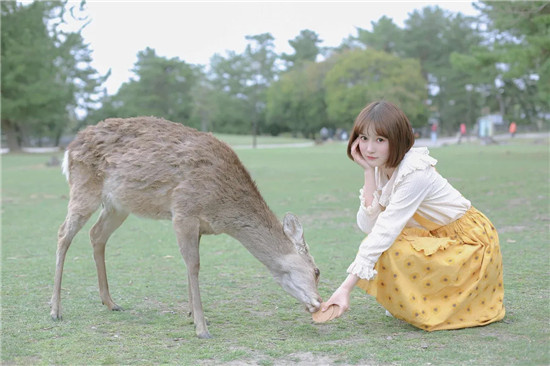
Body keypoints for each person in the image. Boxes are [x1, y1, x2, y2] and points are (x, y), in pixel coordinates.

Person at [322, 101, 505, 331]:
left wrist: (345, 288)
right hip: (438, 236)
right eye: (364, 138)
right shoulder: (380, 167)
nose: (369, 149)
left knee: (391, 245)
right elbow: (367, 225)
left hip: (471, 241)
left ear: (397, 139)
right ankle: (413, 300)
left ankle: (429, 303)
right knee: (388, 243)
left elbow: (384, 231)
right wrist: (368, 173)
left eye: (380, 140)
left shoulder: (414, 172)